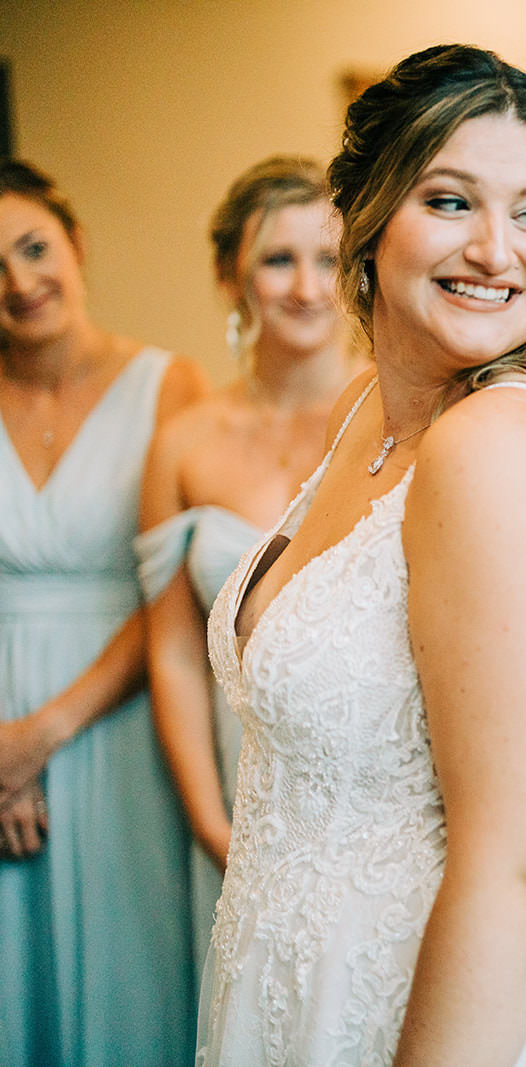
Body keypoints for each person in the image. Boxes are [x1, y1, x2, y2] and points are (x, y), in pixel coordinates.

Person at [196, 45, 526, 1065]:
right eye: (452, 201)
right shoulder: (371, 421)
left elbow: (522, 867)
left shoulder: (494, 443)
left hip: (452, 1018)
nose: (498, 250)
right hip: (305, 991)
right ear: (367, 220)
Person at [0, 160, 209, 1065]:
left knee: (133, 968)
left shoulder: (170, 385)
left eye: (33, 247)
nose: (18, 282)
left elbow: (174, 596)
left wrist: (40, 735)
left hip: (123, 721)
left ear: (77, 246)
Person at [137, 155, 365, 978]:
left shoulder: (400, 417)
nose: (307, 286)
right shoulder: (181, 444)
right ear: (230, 276)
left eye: (329, 258)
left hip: (369, 785)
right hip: (238, 785)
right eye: (278, 259)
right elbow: (171, 650)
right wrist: (210, 822)